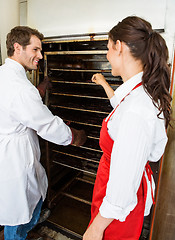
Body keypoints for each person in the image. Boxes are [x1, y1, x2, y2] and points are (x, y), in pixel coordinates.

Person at [83, 16, 172, 240]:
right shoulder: (137, 95)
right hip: (116, 197)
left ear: (119, 47)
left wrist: (95, 228)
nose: (106, 55)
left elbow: (121, 192)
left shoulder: (136, 110)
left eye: (107, 48)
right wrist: (104, 83)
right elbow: (120, 109)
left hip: (116, 212)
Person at [0, 26, 86, 240]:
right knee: (20, 208)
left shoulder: (5, 77)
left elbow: (23, 108)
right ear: (17, 47)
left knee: (22, 200)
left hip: (8, 151)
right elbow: (47, 125)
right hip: (17, 158)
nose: (40, 55)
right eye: (36, 50)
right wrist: (74, 137)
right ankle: (19, 234)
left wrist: (41, 87)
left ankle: (28, 225)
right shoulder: (20, 88)